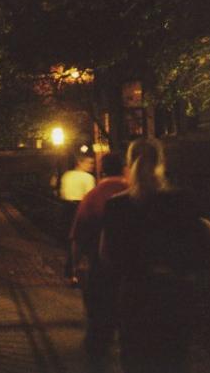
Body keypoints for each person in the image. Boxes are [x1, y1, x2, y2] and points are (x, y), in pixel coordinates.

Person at [100, 139, 210, 373]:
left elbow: (107, 255)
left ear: (128, 165)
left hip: (135, 296)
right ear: (162, 163)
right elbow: (200, 247)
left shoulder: (116, 206)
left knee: (136, 360)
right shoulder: (181, 200)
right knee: (173, 359)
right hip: (174, 295)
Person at [68, 152, 128, 368]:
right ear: (124, 169)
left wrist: (75, 265)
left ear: (102, 171)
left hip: (100, 268)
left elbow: (78, 236)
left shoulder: (92, 197)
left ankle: (98, 359)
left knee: (99, 320)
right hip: (131, 272)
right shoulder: (134, 192)